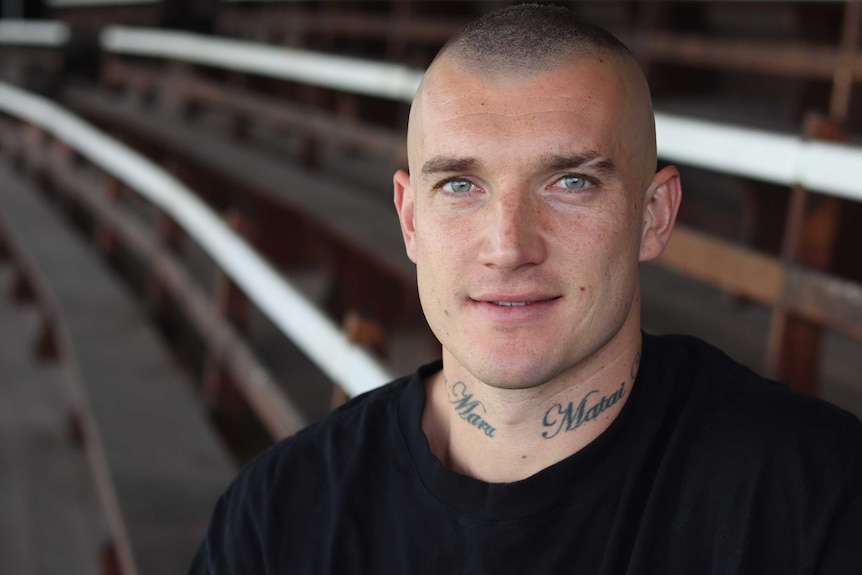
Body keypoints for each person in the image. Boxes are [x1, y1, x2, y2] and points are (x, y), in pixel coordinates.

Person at [188, 4, 862, 573]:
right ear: (410, 218)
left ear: (654, 216)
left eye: (570, 183)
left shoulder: (819, 500)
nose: (509, 246)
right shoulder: (277, 515)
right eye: (460, 185)